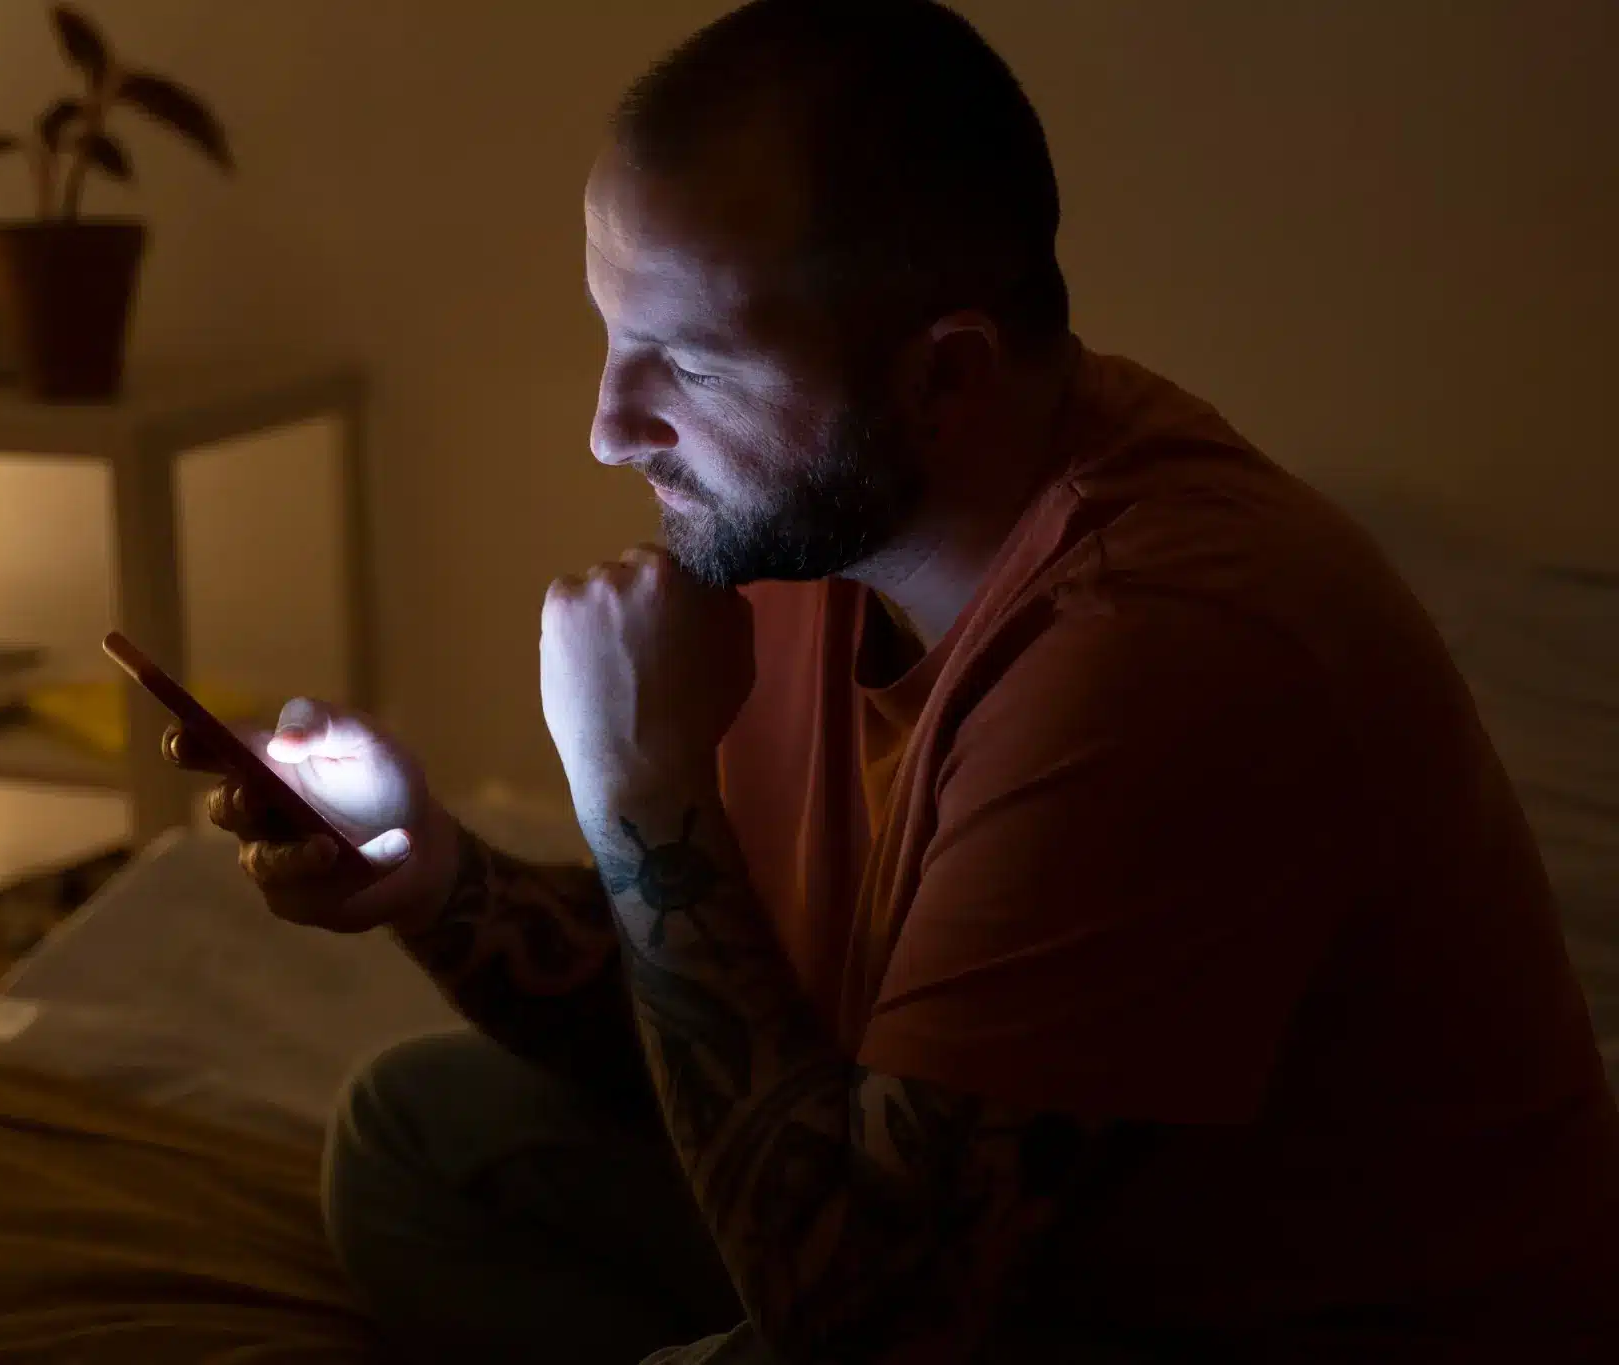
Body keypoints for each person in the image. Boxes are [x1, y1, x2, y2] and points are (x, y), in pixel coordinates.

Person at [168, 2, 1619, 1361]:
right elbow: (729, 994)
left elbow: (867, 1329)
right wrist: (428, 873)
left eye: (691, 365)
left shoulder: (1162, 649)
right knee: (419, 1143)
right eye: (614, 335)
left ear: (944, 378)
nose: (614, 429)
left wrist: (639, 790)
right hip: (976, 1249)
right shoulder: (821, 525)